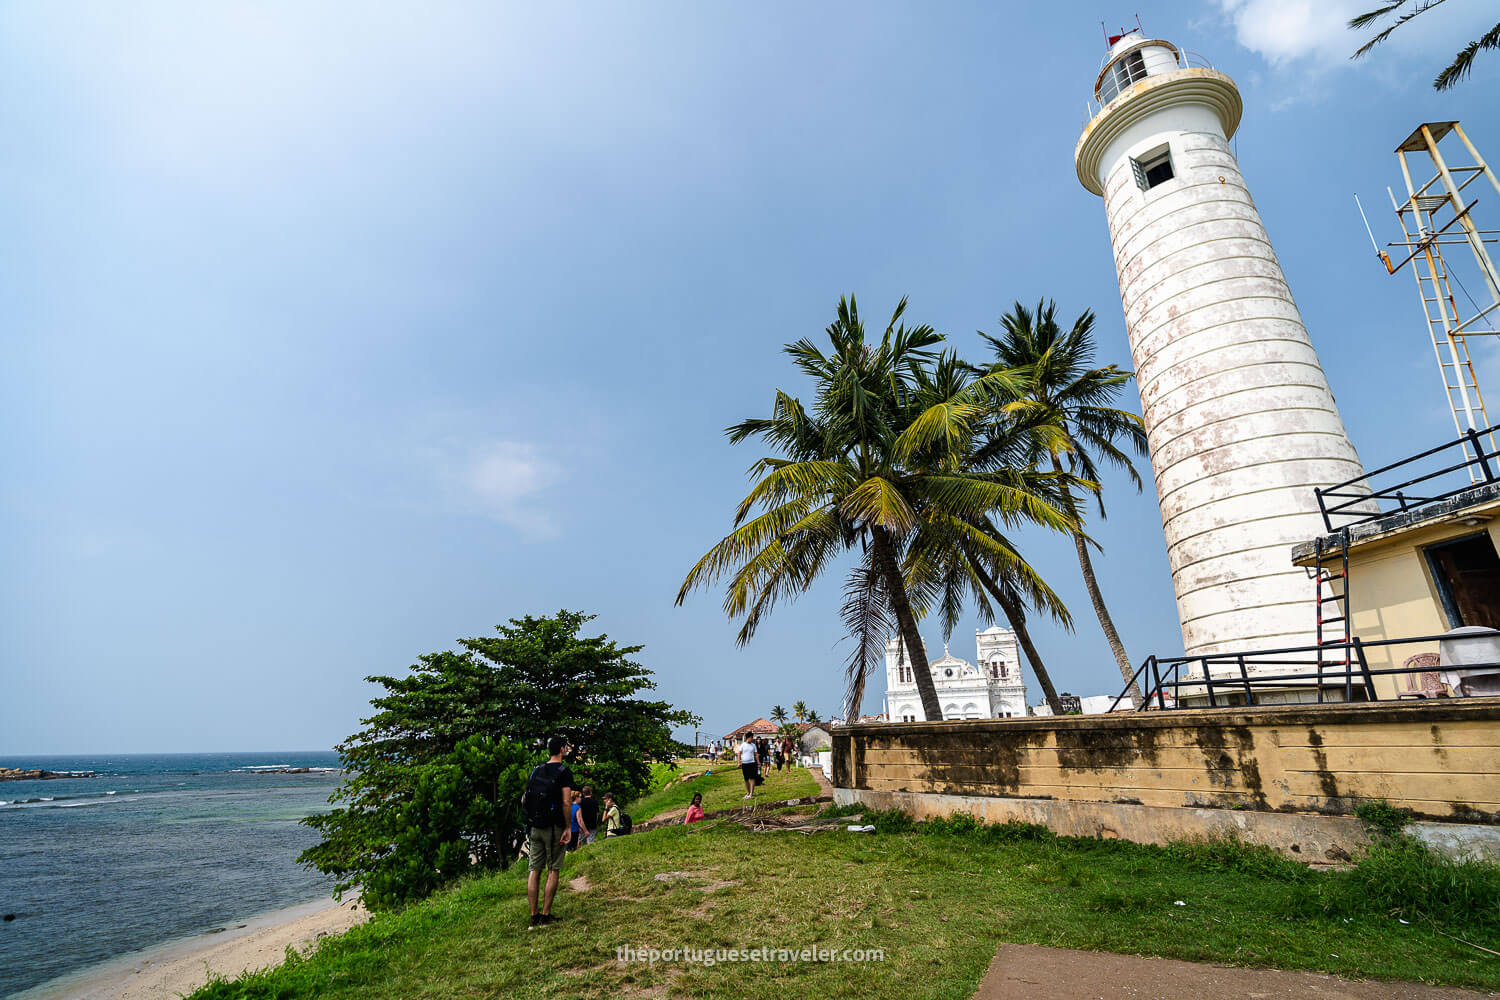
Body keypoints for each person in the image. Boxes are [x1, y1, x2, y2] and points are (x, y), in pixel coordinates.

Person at [524, 736, 574, 929]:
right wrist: (568, 827)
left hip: (535, 825)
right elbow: (566, 801)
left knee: (534, 870)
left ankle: (533, 915)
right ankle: (545, 915)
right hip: (554, 827)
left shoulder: (536, 770)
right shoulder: (564, 771)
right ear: (561, 749)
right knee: (553, 869)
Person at [738, 734, 759, 799]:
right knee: (746, 779)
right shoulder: (743, 745)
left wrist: (758, 763)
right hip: (744, 763)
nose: (752, 739)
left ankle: (751, 793)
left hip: (752, 763)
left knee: (752, 778)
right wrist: (739, 762)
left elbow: (756, 755)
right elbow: (739, 754)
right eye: (751, 738)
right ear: (748, 738)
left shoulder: (753, 745)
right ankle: (748, 792)